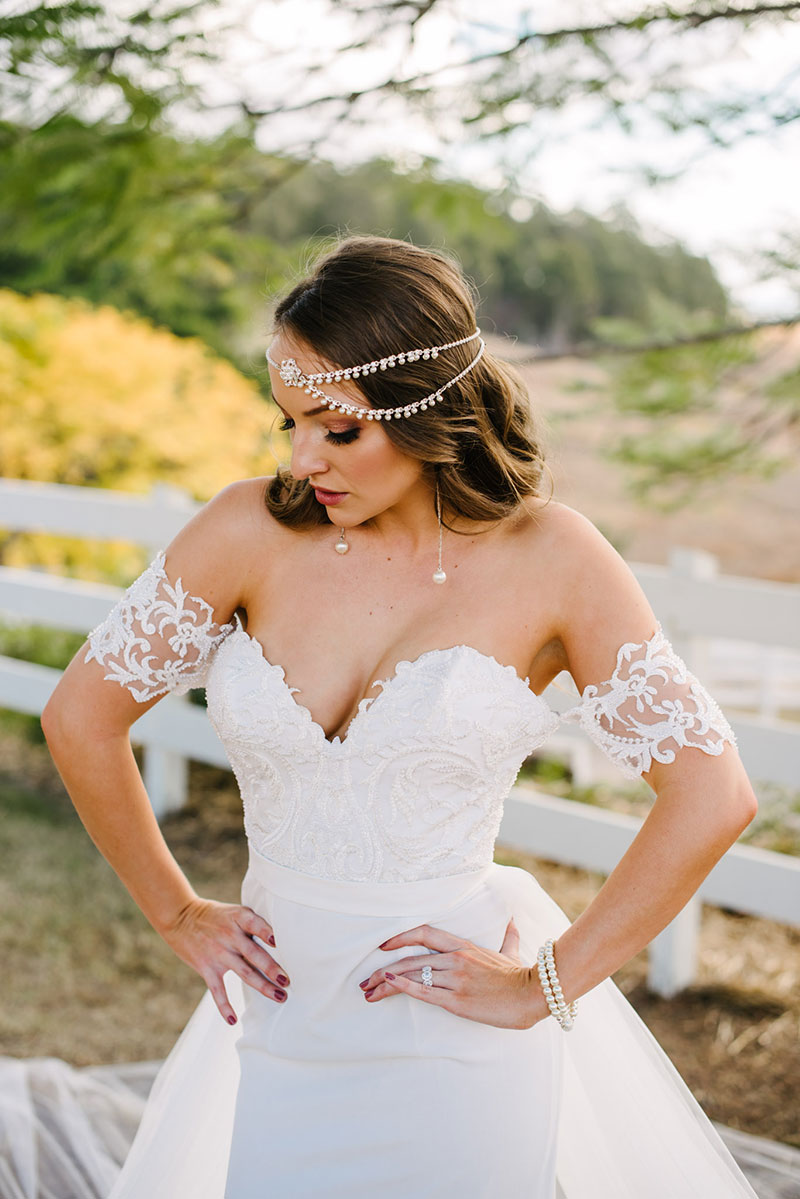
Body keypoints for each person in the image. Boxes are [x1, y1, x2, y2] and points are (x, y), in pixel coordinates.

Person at [37, 235, 760, 1199]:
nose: (304, 458)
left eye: (339, 431)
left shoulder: (553, 559)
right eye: (289, 422)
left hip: (456, 1043)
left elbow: (713, 794)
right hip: (284, 1027)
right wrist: (175, 910)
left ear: (433, 410)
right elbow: (80, 716)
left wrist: (545, 982)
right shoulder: (247, 531)